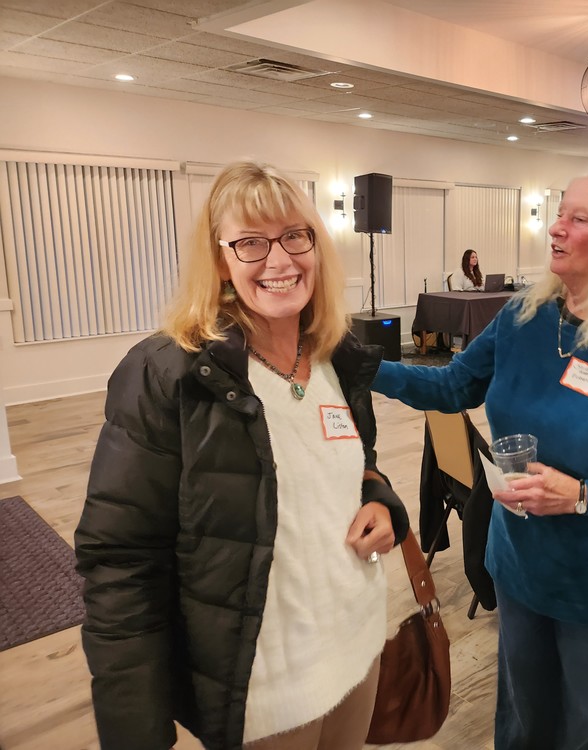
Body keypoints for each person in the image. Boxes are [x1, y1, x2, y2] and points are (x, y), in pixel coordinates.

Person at [75, 161, 409, 750]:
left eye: (294, 237)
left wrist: (381, 501)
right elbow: (122, 562)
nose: (279, 261)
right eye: (251, 242)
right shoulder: (169, 374)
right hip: (266, 691)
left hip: (357, 647)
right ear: (220, 258)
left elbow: (358, 464)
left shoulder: (337, 357)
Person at [374, 164, 588, 750]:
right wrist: (361, 365)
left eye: (578, 219)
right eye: (559, 213)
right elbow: (452, 386)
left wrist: (582, 496)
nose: (556, 228)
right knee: (524, 725)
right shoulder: (522, 316)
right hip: (518, 566)